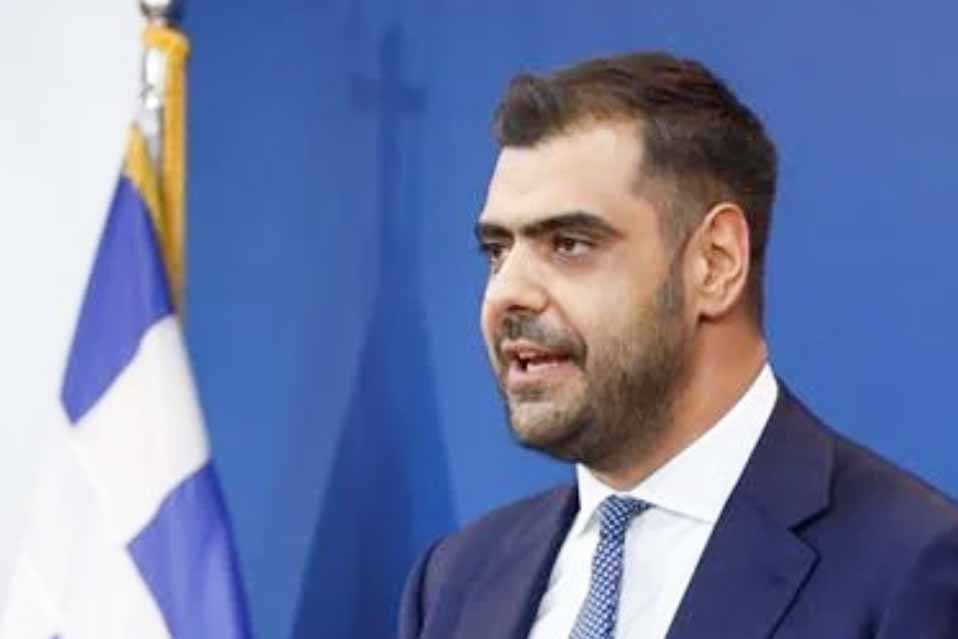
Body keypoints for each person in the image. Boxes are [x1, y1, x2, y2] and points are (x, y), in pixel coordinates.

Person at [398, 51, 958, 639]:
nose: (507, 293)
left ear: (715, 263)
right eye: (497, 251)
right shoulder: (453, 581)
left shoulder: (913, 568)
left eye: (569, 244)